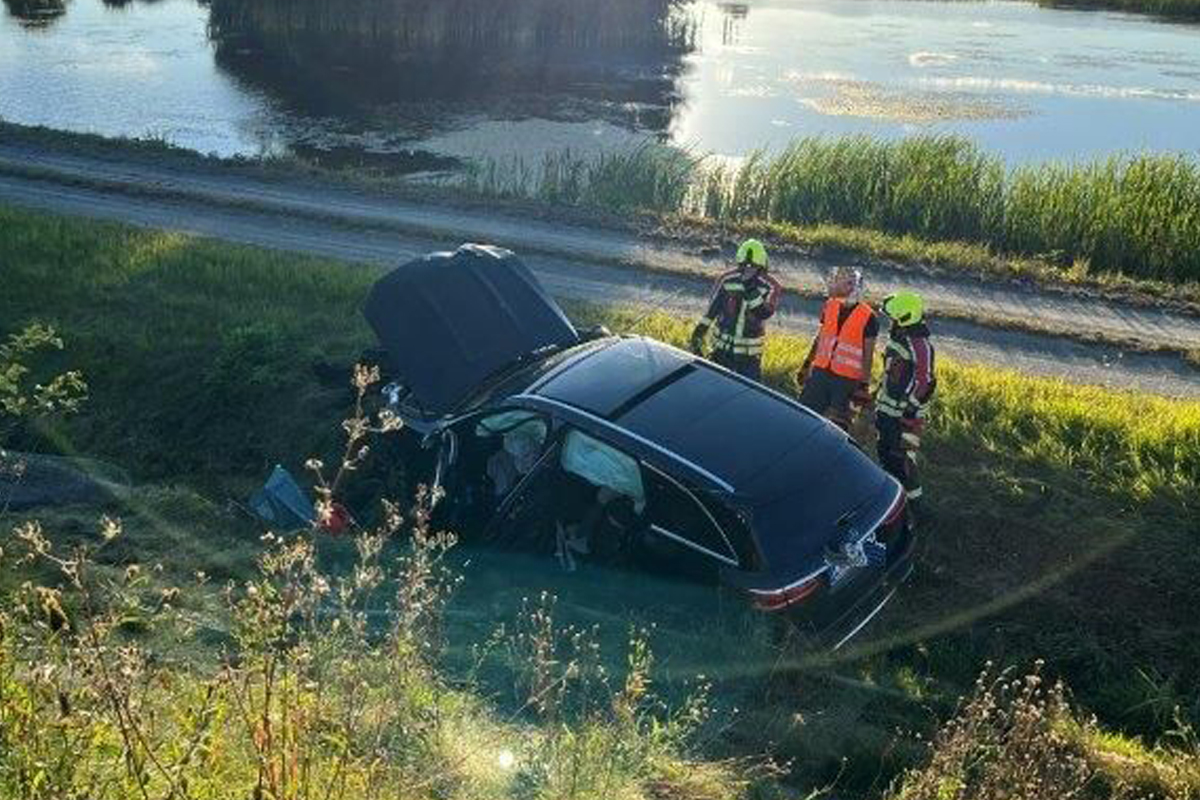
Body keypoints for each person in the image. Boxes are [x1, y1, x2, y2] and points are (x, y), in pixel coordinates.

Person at [874, 291, 936, 509]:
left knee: (904, 461)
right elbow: (892, 373)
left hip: (907, 419)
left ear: (904, 319)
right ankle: (892, 501)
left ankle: (918, 509)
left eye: (893, 317)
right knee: (885, 454)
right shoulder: (899, 338)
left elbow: (926, 383)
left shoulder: (919, 345)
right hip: (887, 411)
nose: (890, 322)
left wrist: (909, 412)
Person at [796, 266, 878, 431]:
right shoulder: (830, 305)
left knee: (837, 428)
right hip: (820, 373)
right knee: (803, 418)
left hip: (846, 382)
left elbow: (868, 355)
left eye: (849, 283)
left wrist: (863, 385)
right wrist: (807, 364)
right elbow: (820, 338)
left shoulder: (869, 316)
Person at [689, 239, 783, 381]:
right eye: (745, 266)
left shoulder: (770, 286)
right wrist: (697, 337)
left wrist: (749, 286)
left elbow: (763, 313)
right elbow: (711, 312)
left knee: (746, 393)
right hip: (720, 353)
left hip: (749, 360)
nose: (748, 269)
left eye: (753, 267)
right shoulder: (727, 279)